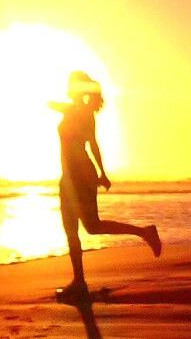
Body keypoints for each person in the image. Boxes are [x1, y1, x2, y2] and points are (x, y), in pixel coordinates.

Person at [54, 71, 160, 301]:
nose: (67, 87)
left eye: (71, 84)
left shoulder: (81, 113)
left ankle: (144, 232)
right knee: (72, 229)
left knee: (90, 227)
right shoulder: (77, 111)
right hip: (70, 178)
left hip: (80, 177)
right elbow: (72, 117)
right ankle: (79, 282)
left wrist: (101, 172)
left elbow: (93, 145)